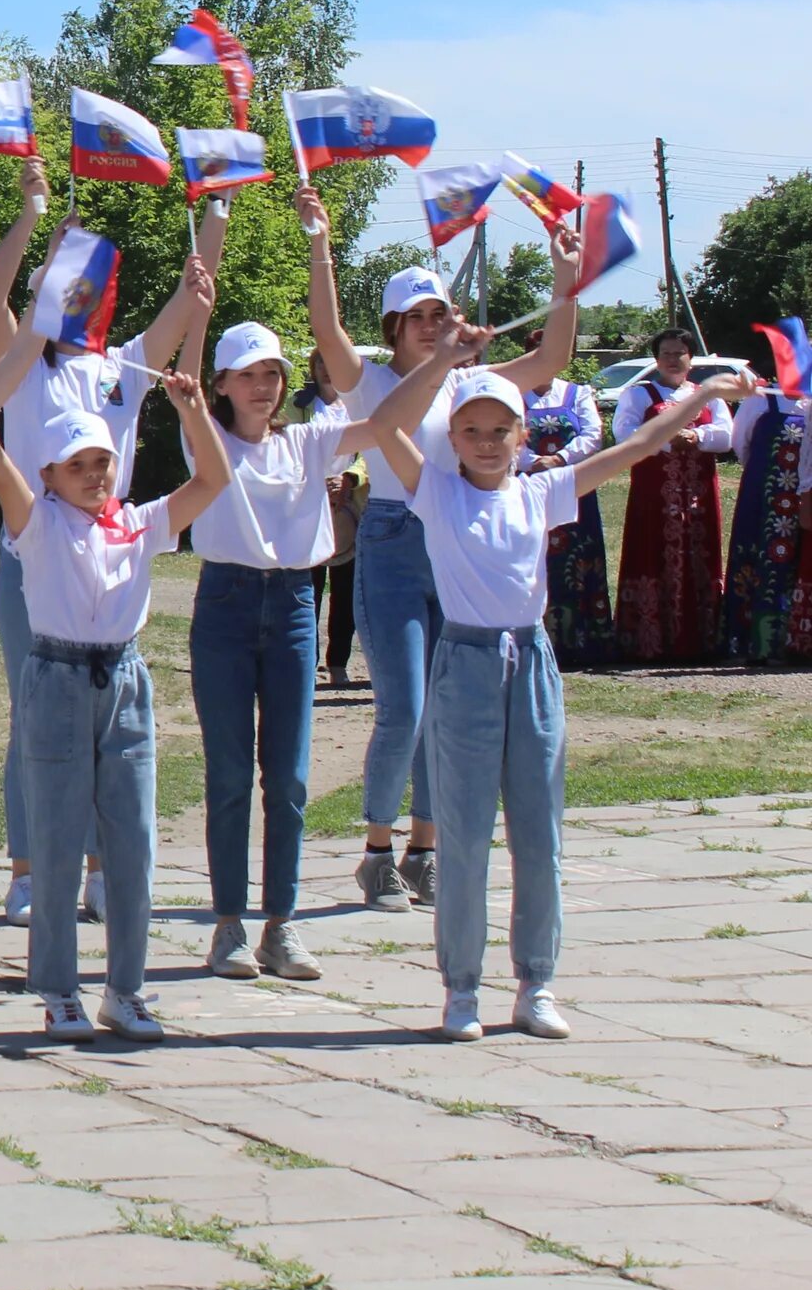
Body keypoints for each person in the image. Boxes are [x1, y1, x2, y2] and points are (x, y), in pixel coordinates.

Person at [368, 326, 756, 1040]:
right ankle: (461, 990)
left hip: (533, 662)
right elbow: (384, 422)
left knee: (538, 834)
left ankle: (535, 983)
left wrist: (702, 391)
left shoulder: (542, 490)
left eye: (500, 429)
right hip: (466, 664)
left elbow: (637, 446)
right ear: (452, 437)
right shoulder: (435, 492)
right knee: (464, 835)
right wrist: (448, 364)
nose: (486, 441)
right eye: (471, 429)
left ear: (522, 435)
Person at [0, 335, 229, 1043]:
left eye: (102, 461)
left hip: (124, 680)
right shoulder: (35, 521)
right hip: (56, 677)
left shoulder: (137, 522)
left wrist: (193, 412)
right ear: (49, 472)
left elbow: (212, 483)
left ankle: (127, 989)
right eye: (78, 464)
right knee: (54, 839)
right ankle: (58, 990)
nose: (93, 474)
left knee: (132, 841)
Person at [0, 156, 225, 927]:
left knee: (105, 732)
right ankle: (25, 872)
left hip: (111, 568)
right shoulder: (27, 367)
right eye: (66, 286)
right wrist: (33, 219)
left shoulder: (125, 371)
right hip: (33, 567)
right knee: (35, 720)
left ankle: (95, 873)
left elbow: (191, 302)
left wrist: (212, 218)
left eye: (90, 286)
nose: (80, 298)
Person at [309, 202, 581, 912]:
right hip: (395, 539)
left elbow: (553, 361)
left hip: (456, 545)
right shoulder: (368, 380)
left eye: (440, 313)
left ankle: (423, 850)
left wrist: (565, 280)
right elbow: (325, 332)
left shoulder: (468, 382)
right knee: (404, 706)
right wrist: (321, 246)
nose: (432, 325)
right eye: (417, 316)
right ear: (394, 327)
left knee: (447, 709)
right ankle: (375, 852)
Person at [187, 318, 399, 984]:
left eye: (272, 374)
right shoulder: (207, 439)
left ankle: (281, 925)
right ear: (221, 384)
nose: (262, 386)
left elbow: (393, 418)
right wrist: (200, 294)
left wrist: (444, 357)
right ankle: (228, 926)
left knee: (290, 778)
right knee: (228, 774)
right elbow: (184, 383)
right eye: (247, 374)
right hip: (223, 605)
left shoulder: (309, 442)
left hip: (292, 609)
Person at [612, 328, 733, 664]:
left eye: (679, 353)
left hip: (698, 494)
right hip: (654, 493)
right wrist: (667, 438)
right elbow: (624, 433)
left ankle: (701, 639)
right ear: (656, 358)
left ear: (691, 358)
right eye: (666, 353)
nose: (672, 359)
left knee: (700, 552)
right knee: (652, 550)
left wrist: (695, 437)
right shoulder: (639, 394)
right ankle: (648, 640)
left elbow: (726, 436)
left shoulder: (709, 396)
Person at [521, 352, 615, 667]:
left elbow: (592, 436)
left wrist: (559, 459)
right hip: (529, 487)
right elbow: (504, 434)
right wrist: (533, 463)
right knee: (536, 556)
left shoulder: (579, 393)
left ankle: (584, 641)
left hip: (573, 486)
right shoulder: (513, 395)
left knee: (580, 557)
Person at [720, 381, 804, 664]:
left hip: (806, 497)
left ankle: (796, 642)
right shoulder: (761, 397)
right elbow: (740, 444)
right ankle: (752, 642)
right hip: (764, 496)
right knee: (758, 558)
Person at [297, 359, 366, 689]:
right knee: (308, 590)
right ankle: (306, 664)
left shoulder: (358, 406)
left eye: (332, 361)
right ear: (313, 368)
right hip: (309, 505)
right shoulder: (298, 403)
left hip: (349, 508)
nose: (328, 368)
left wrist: (350, 479)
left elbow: (371, 449)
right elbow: (288, 445)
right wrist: (315, 484)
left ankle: (337, 662)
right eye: (320, 363)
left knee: (346, 591)